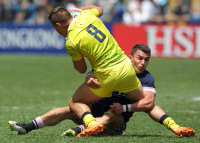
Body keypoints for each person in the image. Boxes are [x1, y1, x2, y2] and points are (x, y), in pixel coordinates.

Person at [8, 44, 195, 137]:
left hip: (116, 120)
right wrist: (88, 76)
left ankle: (82, 128)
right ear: (130, 57)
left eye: (146, 60)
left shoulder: (146, 78)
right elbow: (96, 72)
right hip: (94, 109)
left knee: (111, 114)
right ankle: (28, 127)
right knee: (67, 109)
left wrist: (125, 109)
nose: (143, 63)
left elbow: (149, 103)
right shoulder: (116, 67)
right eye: (140, 58)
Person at [47, 5, 145, 137]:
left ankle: (92, 123)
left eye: (55, 28)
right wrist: (77, 11)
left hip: (106, 76)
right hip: (126, 67)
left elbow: (81, 69)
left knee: (75, 102)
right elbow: (99, 9)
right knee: (143, 99)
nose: (56, 30)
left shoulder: (71, 41)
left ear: (59, 25)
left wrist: (73, 53)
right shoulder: (87, 15)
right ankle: (170, 123)